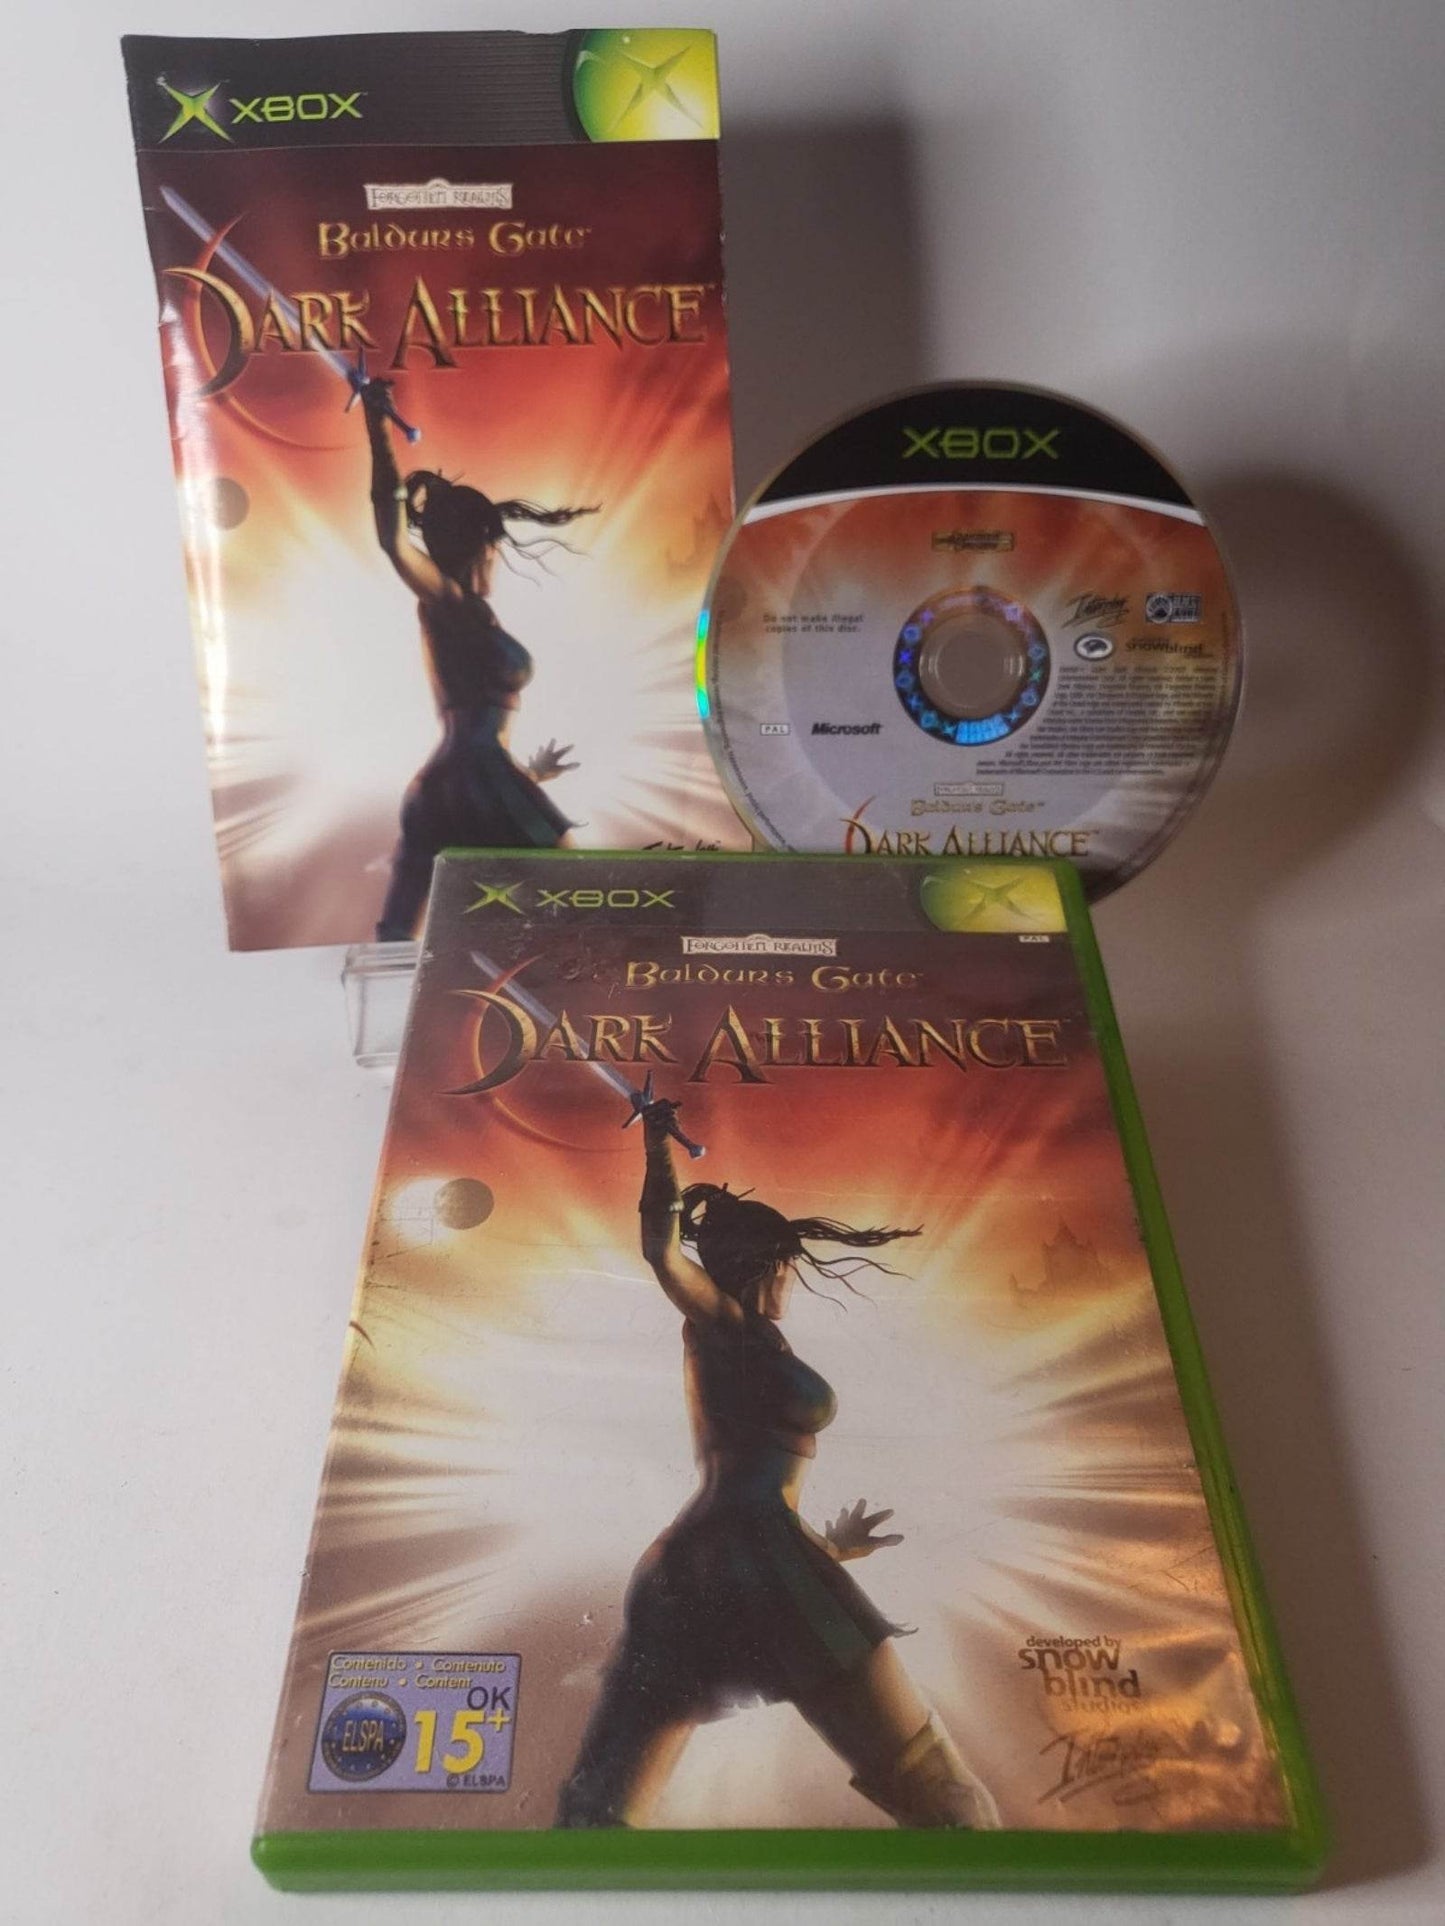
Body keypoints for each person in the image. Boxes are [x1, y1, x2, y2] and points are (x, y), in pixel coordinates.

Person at [555, 1095, 999, 1830]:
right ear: (765, 1267)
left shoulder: (751, 1339)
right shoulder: (723, 1322)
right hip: (747, 1566)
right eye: (786, 1268)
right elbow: (661, 1251)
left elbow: (751, 1506)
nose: (790, 1282)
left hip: (713, 1567)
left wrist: (829, 1546)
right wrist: (658, 1145)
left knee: (599, 1816)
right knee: (948, 1801)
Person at [358, 376, 597, 940]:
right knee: (575, 895)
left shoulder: (470, 614)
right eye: (495, 547)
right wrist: (377, 428)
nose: (497, 559)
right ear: (481, 545)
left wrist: (528, 774)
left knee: (403, 930)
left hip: (454, 783)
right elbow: (393, 540)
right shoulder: (447, 600)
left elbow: (476, 730)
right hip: (473, 777)